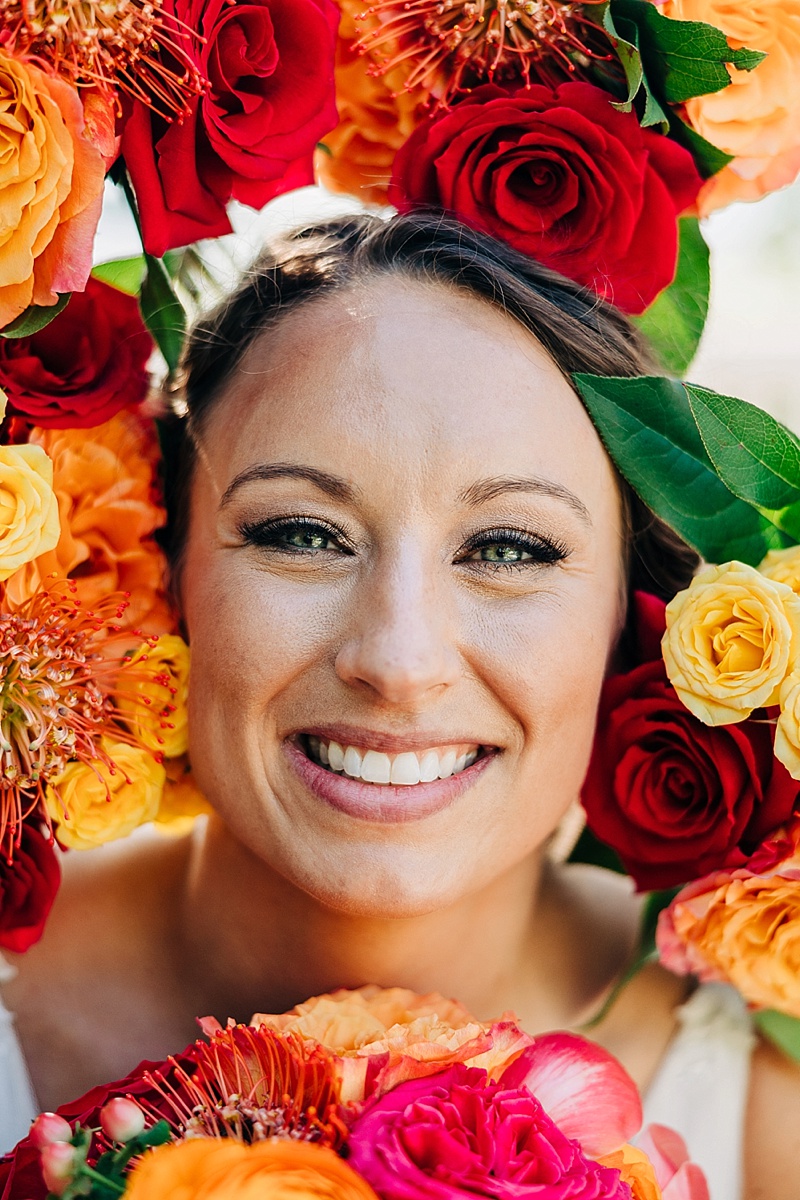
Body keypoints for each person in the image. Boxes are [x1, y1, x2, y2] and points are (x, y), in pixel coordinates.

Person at [2, 212, 799, 1196]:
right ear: (164, 573)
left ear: (636, 620)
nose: (399, 658)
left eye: (508, 550)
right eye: (303, 533)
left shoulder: (767, 1101)